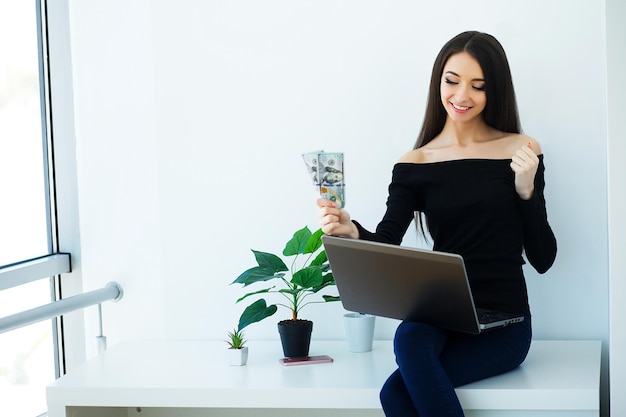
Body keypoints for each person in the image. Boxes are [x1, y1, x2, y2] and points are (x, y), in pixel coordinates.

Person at [317, 31, 557, 417]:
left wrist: (526, 190)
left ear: (494, 90)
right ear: (438, 82)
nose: (461, 96)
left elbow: (544, 257)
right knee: (408, 342)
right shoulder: (415, 163)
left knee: (395, 395)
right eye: (452, 81)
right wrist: (352, 231)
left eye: (477, 86)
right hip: (443, 315)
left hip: (504, 322)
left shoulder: (522, 149)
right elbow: (387, 242)